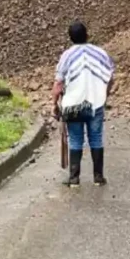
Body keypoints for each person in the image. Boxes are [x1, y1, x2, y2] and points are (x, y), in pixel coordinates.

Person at [52, 21, 115, 187]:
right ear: (87, 34)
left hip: (73, 104)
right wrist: (104, 96)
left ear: (70, 38)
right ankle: (98, 177)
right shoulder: (100, 53)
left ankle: (74, 179)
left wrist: (55, 105)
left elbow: (58, 85)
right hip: (96, 103)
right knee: (96, 138)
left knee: (75, 139)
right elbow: (110, 78)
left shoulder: (67, 56)